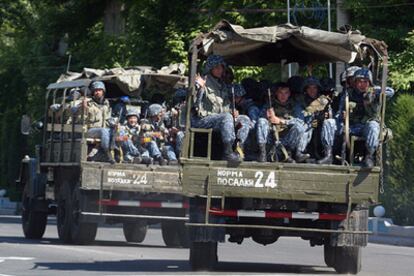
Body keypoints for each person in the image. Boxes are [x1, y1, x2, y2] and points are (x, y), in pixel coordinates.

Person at [338, 68, 394, 167]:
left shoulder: (374, 92)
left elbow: (390, 92)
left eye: (365, 82)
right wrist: (343, 116)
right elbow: (340, 112)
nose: (362, 84)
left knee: (373, 126)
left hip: (368, 127)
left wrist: (375, 91)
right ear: (355, 83)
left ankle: (369, 156)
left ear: (369, 82)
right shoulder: (348, 94)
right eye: (359, 81)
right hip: (352, 127)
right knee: (337, 128)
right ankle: (335, 156)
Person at [192, 54, 241, 162]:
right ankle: (228, 152)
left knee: (244, 120)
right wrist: (198, 87)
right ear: (210, 68)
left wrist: (233, 112)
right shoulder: (203, 81)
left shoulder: (222, 85)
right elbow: (193, 103)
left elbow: (226, 105)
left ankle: (238, 149)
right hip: (203, 120)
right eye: (217, 67)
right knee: (226, 118)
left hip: (219, 119)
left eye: (222, 67)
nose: (220, 70)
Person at [257, 83, 308, 163]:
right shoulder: (269, 105)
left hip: (287, 139)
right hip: (271, 138)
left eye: (286, 93)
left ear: (289, 94)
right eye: (281, 93)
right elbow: (258, 120)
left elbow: (301, 121)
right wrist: (267, 117)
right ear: (276, 93)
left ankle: (289, 153)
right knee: (261, 121)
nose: (283, 96)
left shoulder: (295, 106)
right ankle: (263, 153)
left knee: (300, 127)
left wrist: (281, 121)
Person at [294, 76, 337, 164]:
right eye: (309, 88)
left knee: (330, 122)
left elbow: (330, 117)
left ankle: (328, 155)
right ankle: (300, 153)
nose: (312, 90)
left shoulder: (323, 101)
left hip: (321, 130)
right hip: (306, 129)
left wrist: (323, 117)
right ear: (305, 89)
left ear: (318, 89)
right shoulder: (301, 101)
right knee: (305, 125)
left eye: (314, 87)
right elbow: (300, 118)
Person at [72, 81, 114, 163]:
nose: (97, 92)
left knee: (121, 132)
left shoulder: (106, 104)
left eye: (99, 90)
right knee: (103, 131)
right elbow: (79, 120)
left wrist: (114, 124)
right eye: (95, 90)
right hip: (89, 130)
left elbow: (108, 119)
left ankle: (130, 155)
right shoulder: (87, 103)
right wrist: (84, 109)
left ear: (103, 91)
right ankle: (107, 153)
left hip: (104, 130)